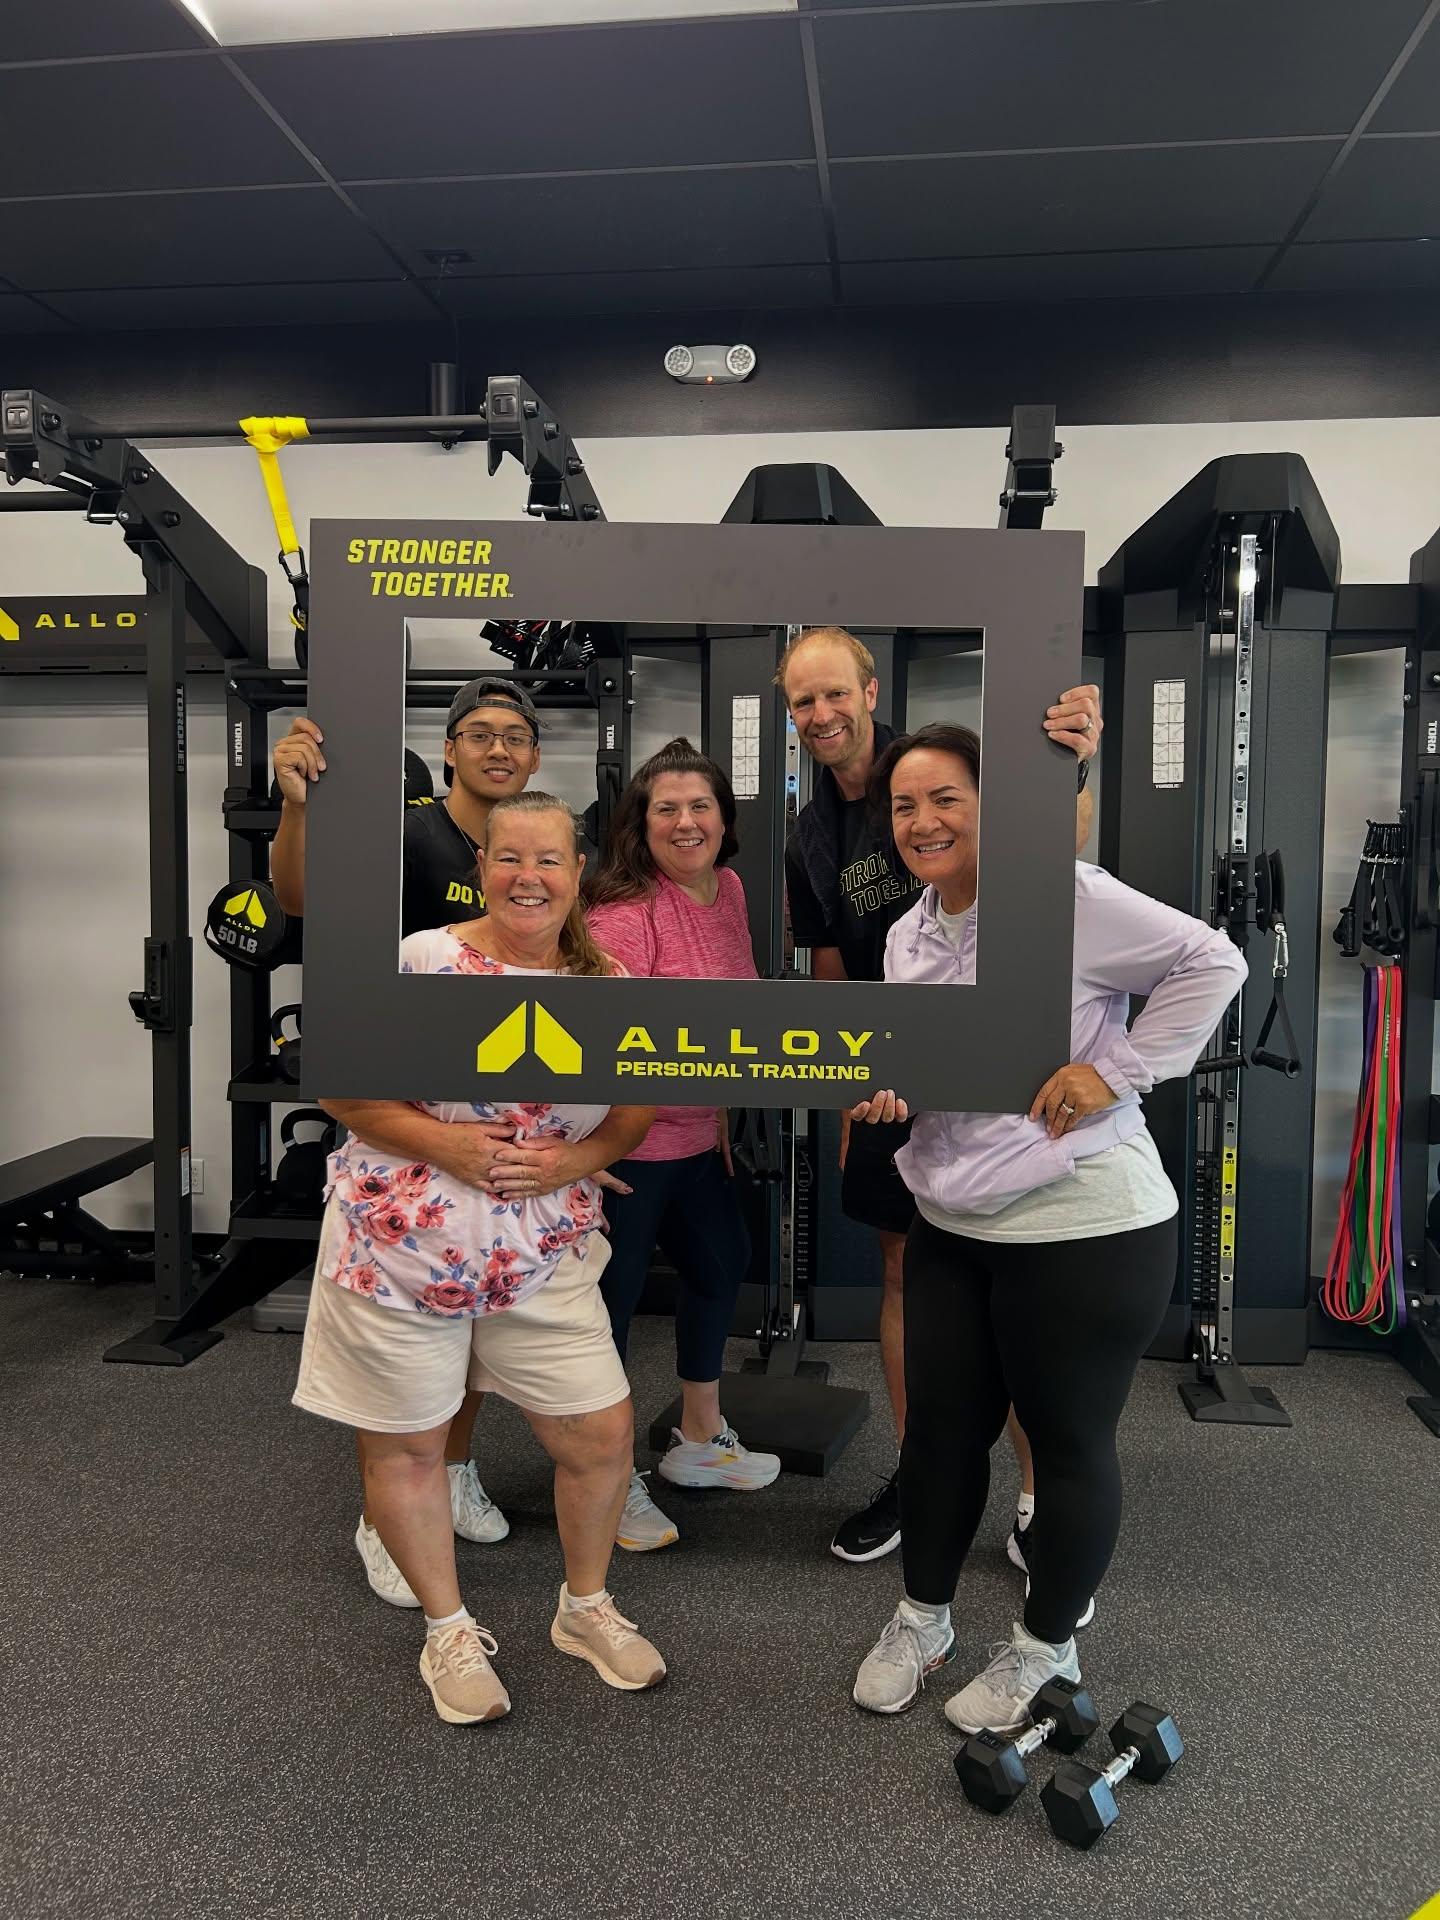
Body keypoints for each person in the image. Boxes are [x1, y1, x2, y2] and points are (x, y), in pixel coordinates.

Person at [847, 723, 1246, 1727]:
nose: (922, 821)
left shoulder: (1066, 900)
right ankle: (922, 1620)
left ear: (995, 806)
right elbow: (936, 1063)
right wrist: (893, 1090)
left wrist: (1115, 1071)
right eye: (905, 805)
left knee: (1066, 1444)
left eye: (946, 798)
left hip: (1083, 1223)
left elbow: (1214, 961)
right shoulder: (906, 934)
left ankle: (1043, 1648)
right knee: (940, 1435)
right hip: (952, 1219)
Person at [295, 790, 665, 1724]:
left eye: (549, 860)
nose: (528, 878)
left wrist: (576, 1159)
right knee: (410, 1445)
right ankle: (448, 1629)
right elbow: (340, 1085)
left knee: (599, 1434)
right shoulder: (422, 960)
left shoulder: (610, 985)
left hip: (540, 1246)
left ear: (578, 873)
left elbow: (634, 1113)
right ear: (481, 868)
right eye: (509, 858)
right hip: (402, 1244)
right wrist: (449, 1146)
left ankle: (584, 1607)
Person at [776, 628, 1101, 1569]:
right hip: (889, 1078)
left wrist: (1074, 769)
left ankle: (1035, 1494)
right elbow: (832, 966)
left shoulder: (938, 771)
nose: (822, 715)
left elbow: (1051, 848)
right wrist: (844, 1087)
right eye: (803, 702)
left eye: (835, 693)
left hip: (999, 1066)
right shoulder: (808, 833)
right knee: (903, 1275)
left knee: (1008, 1284)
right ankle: (923, 1475)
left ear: (870, 690)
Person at [269, 675, 572, 1603]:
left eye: (514, 735)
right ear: (448, 749)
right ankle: (383, 1514)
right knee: (407, 1330)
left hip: (500, 1115)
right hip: (407, 1111)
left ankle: (454, 1469)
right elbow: (300, 896)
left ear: (534, 754)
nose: (497, 748)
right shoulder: (407, 832)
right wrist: (297, 808)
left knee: (468, 1312)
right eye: (478, 733)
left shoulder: (536, 851)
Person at [585, 739, 782, 1552]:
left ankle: (699, 1439)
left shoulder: (728, 891)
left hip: (702, 1137)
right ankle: (607, 1477)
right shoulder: (623, 914)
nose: (685, 822)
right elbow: (599, 1042)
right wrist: (588, 1150)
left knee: (720, 1264)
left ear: (724, 820)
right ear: (641, 825)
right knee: (610, 1308)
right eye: (665, 809)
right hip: (628, 1146)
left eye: (700, 805)